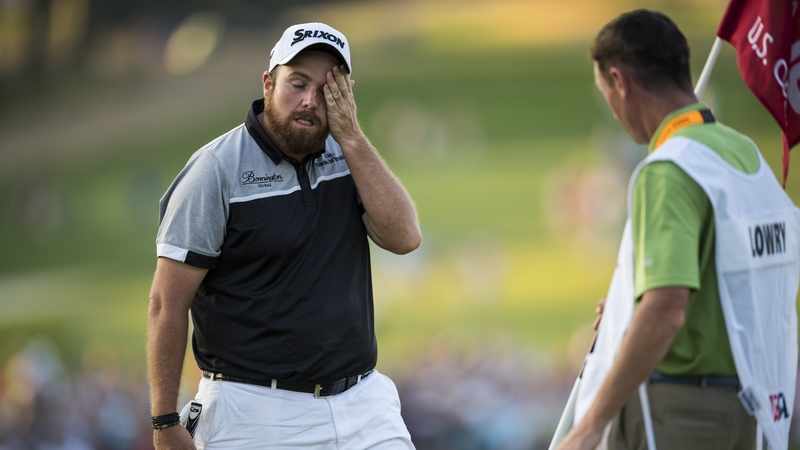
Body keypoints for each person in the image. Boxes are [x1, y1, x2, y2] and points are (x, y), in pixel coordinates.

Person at [147, 22, 422, 450]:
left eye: (327, 88)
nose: (310, 101)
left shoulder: (349, 156)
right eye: (297, 83)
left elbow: (405, 237)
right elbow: (167, 302)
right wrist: (164, 420)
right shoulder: (216, 170)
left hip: (365, 403)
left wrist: (351, 135)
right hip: (254, 411)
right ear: (268, 82)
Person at [557, 9, 799, 450]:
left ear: (621, 81)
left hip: (679, 411)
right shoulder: (744, 155)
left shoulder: (669, 169)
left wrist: (591, 423)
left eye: (606, 93)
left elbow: (666, 309)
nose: (612, 111)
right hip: (752, 411)